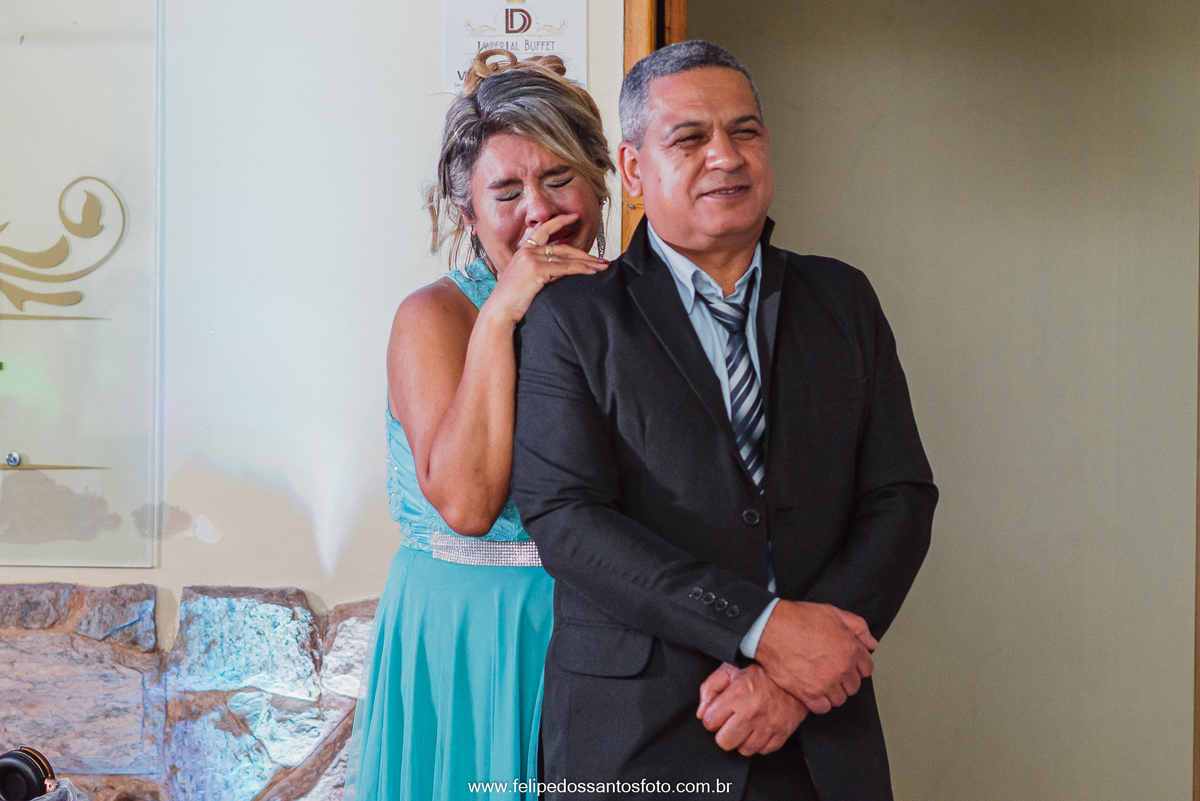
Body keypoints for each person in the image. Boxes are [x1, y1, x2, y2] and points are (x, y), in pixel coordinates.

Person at [511, 40, 937, 801]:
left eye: (746, 132)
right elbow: (566, 519)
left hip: (819, 735)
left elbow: (900, 496)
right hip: (637, 734)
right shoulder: (572, 317)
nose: (726, 157)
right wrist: (763, 627)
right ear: (634, 169)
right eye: (690, 138)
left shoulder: (842, 299)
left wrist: (796, 674)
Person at [344, 49, 614, 801]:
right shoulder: (432, 317)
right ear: (468, 213)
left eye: (559, 178)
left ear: (600, 182)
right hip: (464, 632)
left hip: (603, 628)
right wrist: (500, 315)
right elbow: (466, 505)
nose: (539, 210)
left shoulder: (634, 307)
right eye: (507, 191)